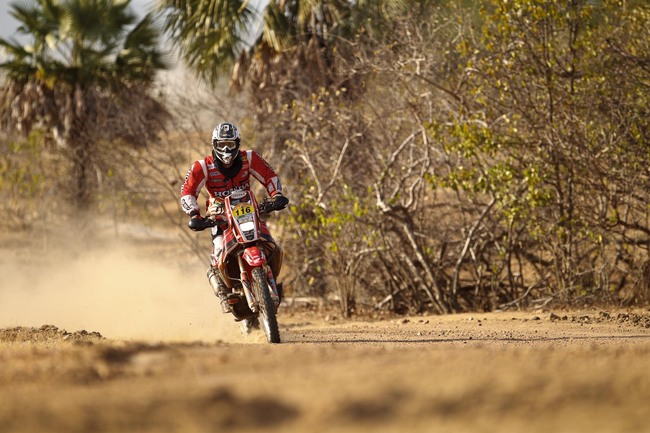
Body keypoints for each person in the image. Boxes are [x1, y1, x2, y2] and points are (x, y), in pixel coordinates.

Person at [180, 121, 288, 313]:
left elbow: (269, 176)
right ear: (214, 144)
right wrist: (195, 214)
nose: (226, 149)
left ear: (238, 143)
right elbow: (187, 191)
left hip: (247, 208)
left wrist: (276, 196)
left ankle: (270, 279)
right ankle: (223, 292)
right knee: (219, 249)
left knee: (269, 241)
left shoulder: (249, 158)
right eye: (222, 144)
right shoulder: (203, 166)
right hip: (218, 215)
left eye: (230, 144)